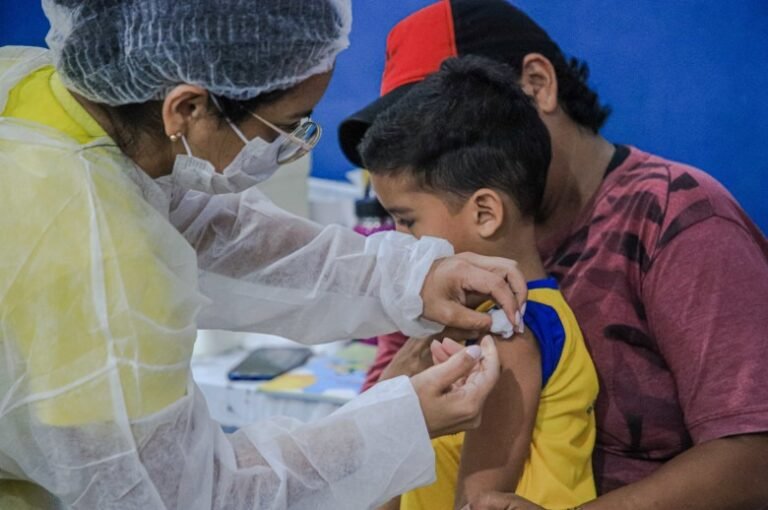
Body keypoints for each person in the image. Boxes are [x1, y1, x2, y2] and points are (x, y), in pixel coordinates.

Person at [0, 1, 529, 508]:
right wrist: (400, 421)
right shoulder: (91, 260)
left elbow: (209, 227)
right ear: (186, 108)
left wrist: (408, 277)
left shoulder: (39, 97)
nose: (292, 146)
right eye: (287, 125)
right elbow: (187, 500)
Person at [338, 1, 768, 508]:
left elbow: (753, 456)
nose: (426, 157)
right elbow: (377, 439)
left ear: (537, 83)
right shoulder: (439, 260)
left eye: (449, 126)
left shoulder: (676, 219)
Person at [358, 56, 599, 510]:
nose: (396, 240)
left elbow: (479, 500)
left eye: (407, 221)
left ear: (485, 213)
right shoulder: (475, 322)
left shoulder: (508, 332)